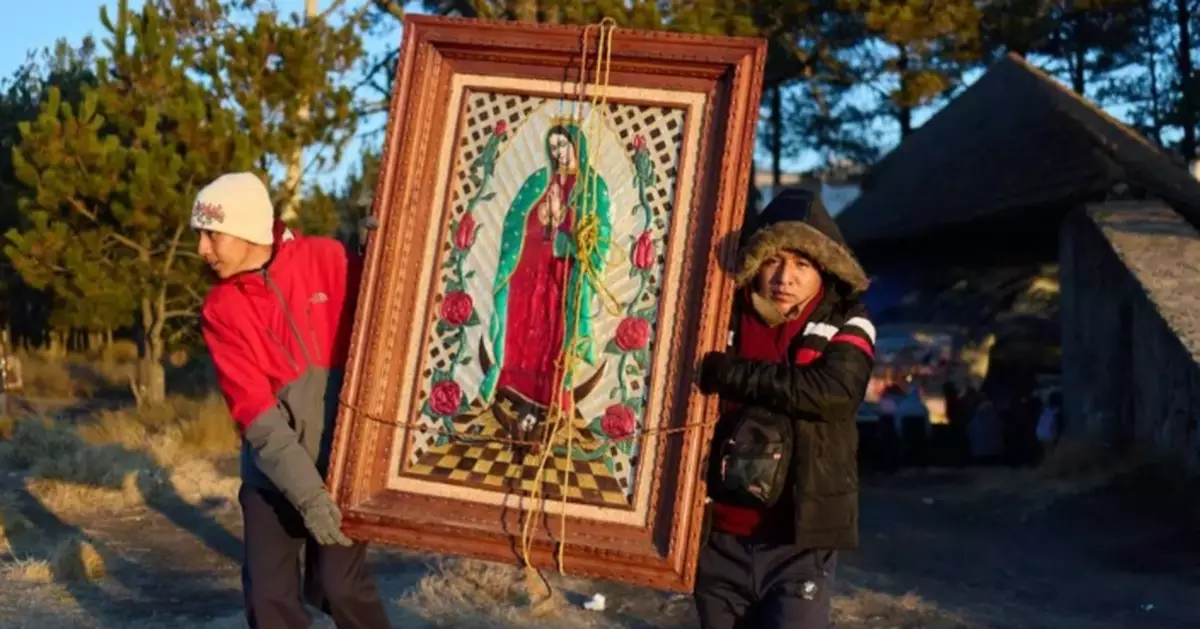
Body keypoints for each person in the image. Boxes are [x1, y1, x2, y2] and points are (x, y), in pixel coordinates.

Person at [194, 172, 391, 629]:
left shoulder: (327, 259)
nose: (202, 248)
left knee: (341, 587)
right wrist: (309, 498)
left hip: (342, 465)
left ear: (245, 228)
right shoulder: (221, 308)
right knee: (268, 600)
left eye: (211, 233)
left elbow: (391, 305)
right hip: (271, 474)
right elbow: (258, 420)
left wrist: (382, 250)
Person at [693, 185, 876, 629]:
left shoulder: (848, 321)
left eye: (801, 263)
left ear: (824, 269)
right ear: (755, 265)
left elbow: (830, 393)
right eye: (773, 259)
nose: (784, 277)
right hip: (718, 537)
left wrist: (728, 372)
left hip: (797, 542)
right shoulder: (718, 319)